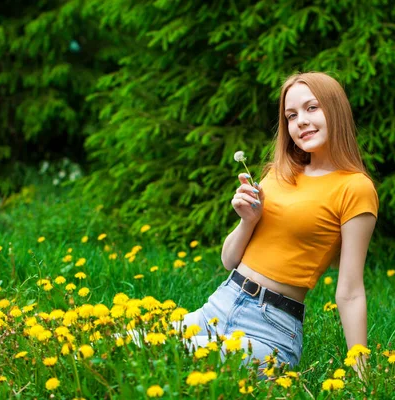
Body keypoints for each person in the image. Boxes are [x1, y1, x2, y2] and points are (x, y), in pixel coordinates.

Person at [126, 72, 379, 379]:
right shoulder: (279, 174)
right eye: (291, 115)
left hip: (269, 329)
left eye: (312, 108)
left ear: (336, 110)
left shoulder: (355, 188)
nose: (301, 121)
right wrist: (248, 220)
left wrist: (362, 372)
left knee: (165, 361)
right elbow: (229, 260)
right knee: (122, 346)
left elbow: (350, 291)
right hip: (218, 307)